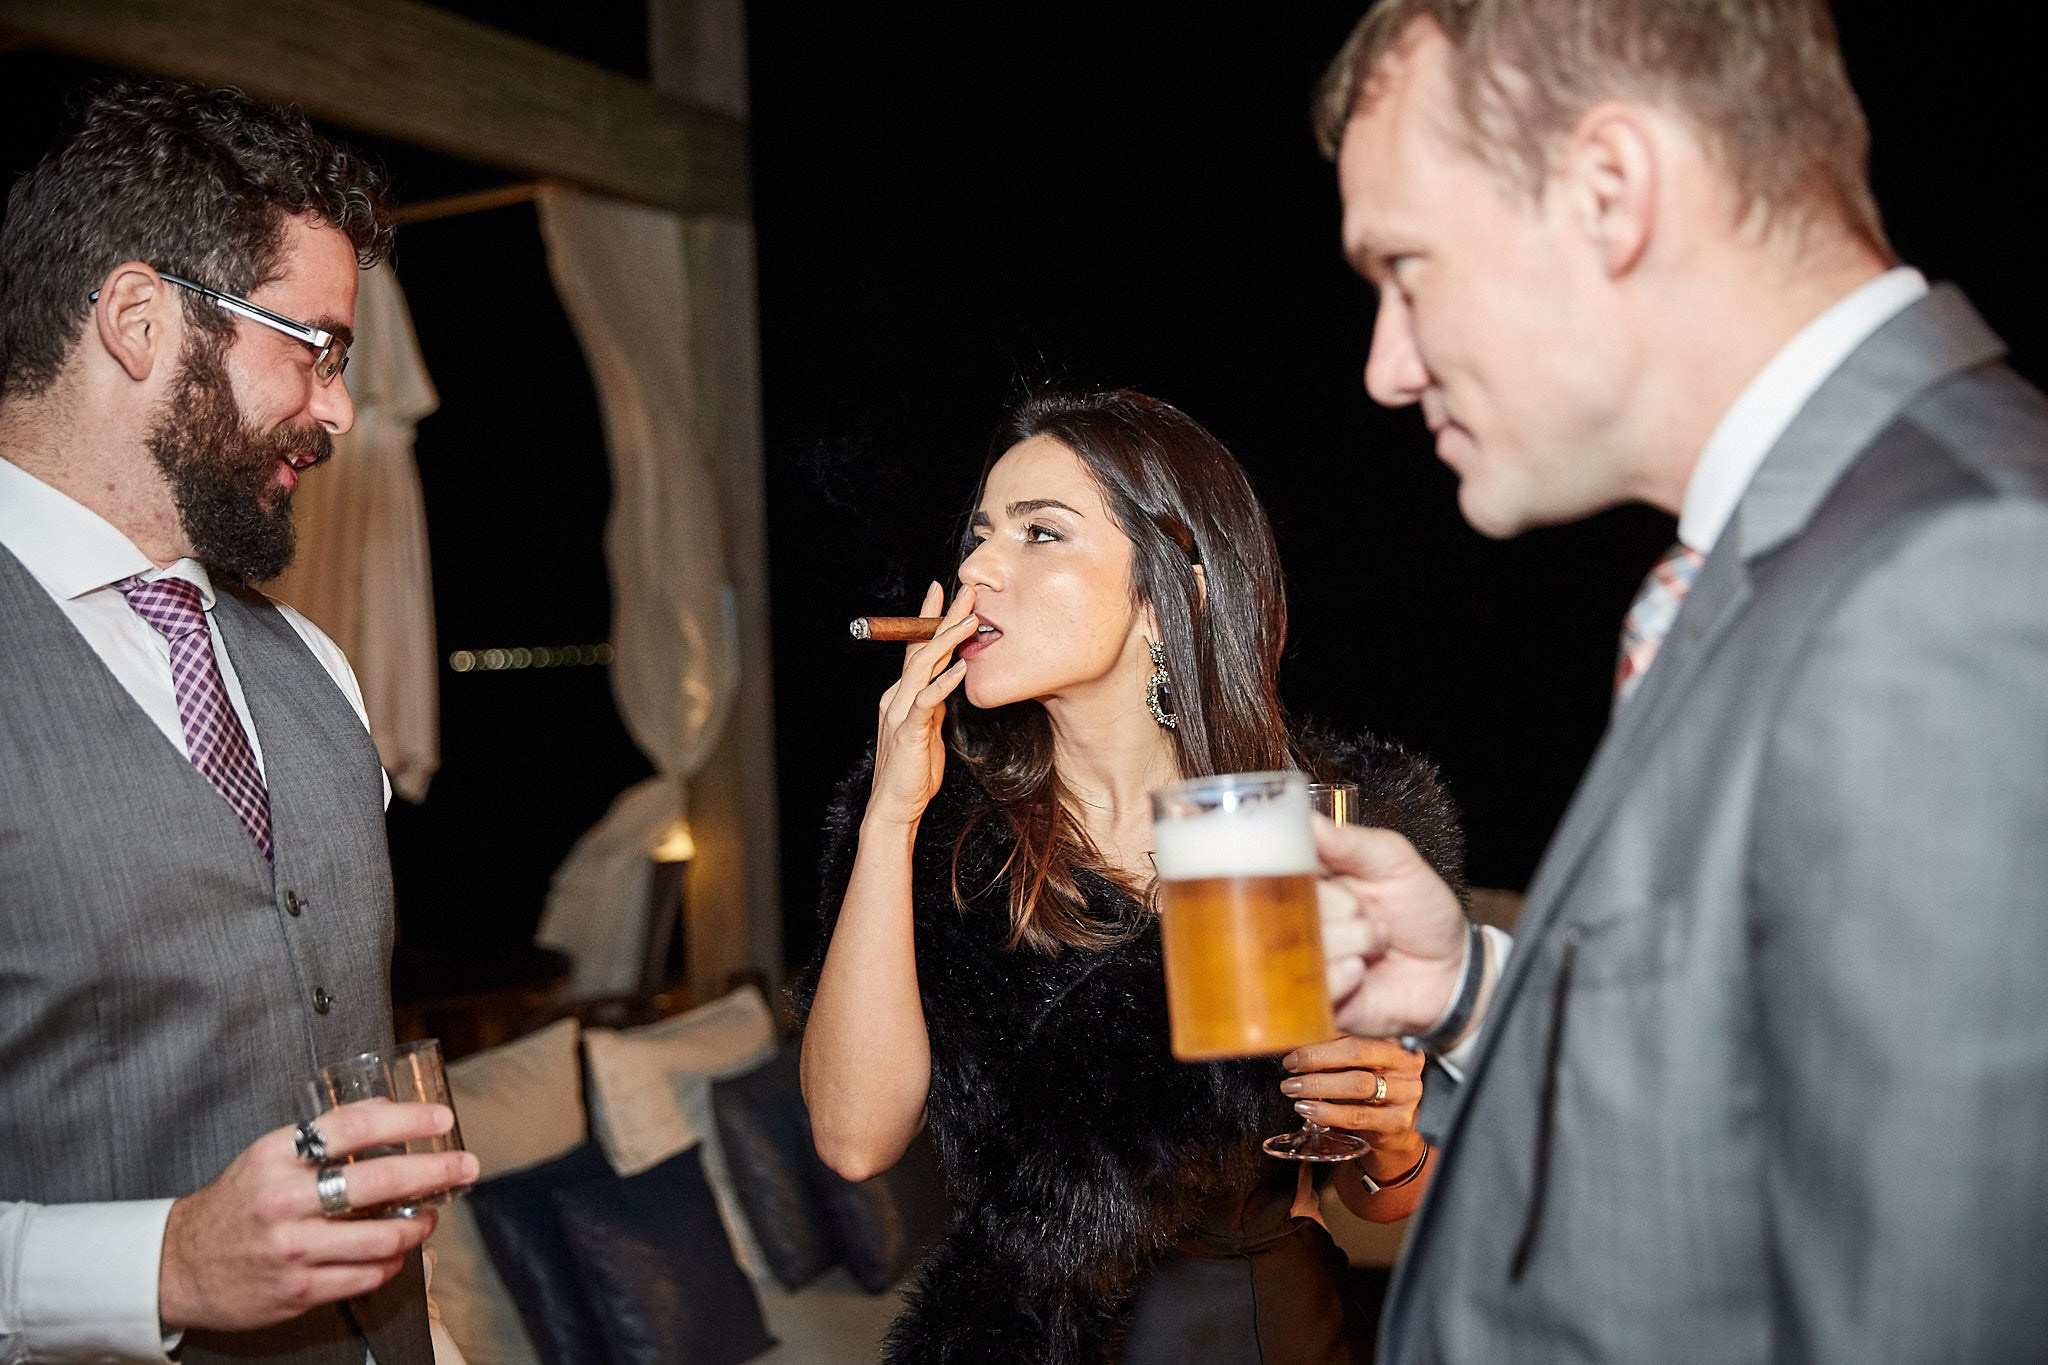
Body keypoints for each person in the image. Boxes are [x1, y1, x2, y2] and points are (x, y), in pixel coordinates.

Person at [1308, 2, 2048, 1360]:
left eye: (1405, 268)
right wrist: (1470, 992)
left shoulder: (1956, 579)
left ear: (1610, 191)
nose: (1387, 366)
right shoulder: (1810, 554)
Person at [799, 386, 1465, 1363]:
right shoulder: (941, 834)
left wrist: (1394, 1141)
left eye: (1039, 535)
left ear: (1166, 593)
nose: (977, 568)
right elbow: (853, 1141)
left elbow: (1377, 1195)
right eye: (979, 535)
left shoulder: (1315, 826)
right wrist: (891, 815)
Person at [0, 80, 477, 1362]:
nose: (336, 409)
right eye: (313, 348)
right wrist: (157, 1266)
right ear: (140, 319)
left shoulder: (314, 663)